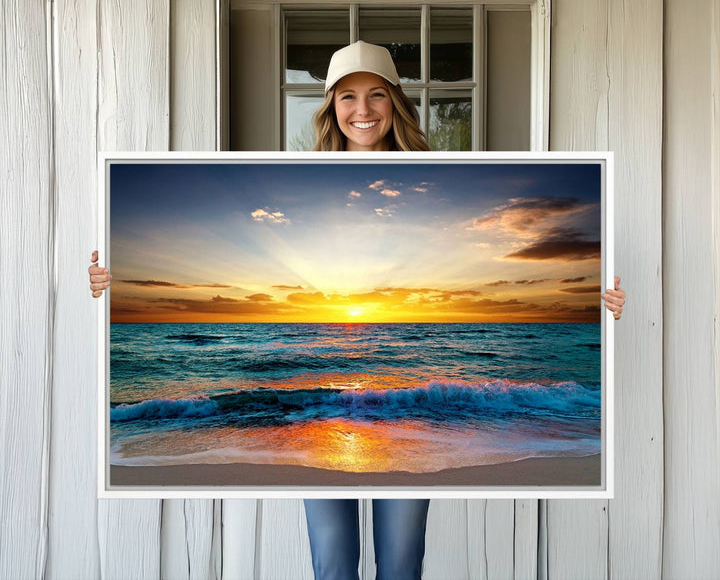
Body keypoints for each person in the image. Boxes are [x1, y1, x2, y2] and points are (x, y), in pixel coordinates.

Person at [88, 41, 626, 580]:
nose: (363, 111)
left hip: (412, 425)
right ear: (330, 107)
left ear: (395, 102)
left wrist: (601, 301)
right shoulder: (297, 183)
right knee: (333, 561)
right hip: (317, 417)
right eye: (348, 96)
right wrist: (109, 283)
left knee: (401, 561)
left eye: (376, 96)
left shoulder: (439, 179)